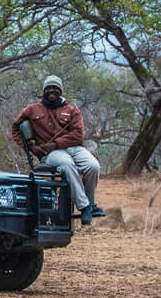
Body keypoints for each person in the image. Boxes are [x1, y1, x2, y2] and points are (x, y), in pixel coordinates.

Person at [13, 75, 104, 220]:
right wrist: (31, 148)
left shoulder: (72, 110)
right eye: (48, 88)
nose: (51, 91)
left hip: (74, 148)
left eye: (55, 88)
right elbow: (16, 128)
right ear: (44, 90)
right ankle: (85, 207)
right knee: (67, 164)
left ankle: (90, 204)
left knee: (93, 166)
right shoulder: (32, 110)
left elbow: (78, 135)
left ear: (60, 91)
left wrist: (55, 143)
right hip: (51, 154)